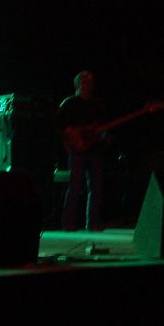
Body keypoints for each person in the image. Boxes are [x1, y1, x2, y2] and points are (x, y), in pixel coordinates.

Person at [53, 70, 107, 231]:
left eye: (89, 82)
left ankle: (92, 223)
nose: (87, 85)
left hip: (94, 150)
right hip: (77, 152)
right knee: (74, 187)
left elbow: (103, 126)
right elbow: (57, 123)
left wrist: (104, 135)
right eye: (84, 82)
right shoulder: (69, 103)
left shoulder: (96, 105)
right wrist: (70, 134)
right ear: (77, 84)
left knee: (95, 188)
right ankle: (68, 223)